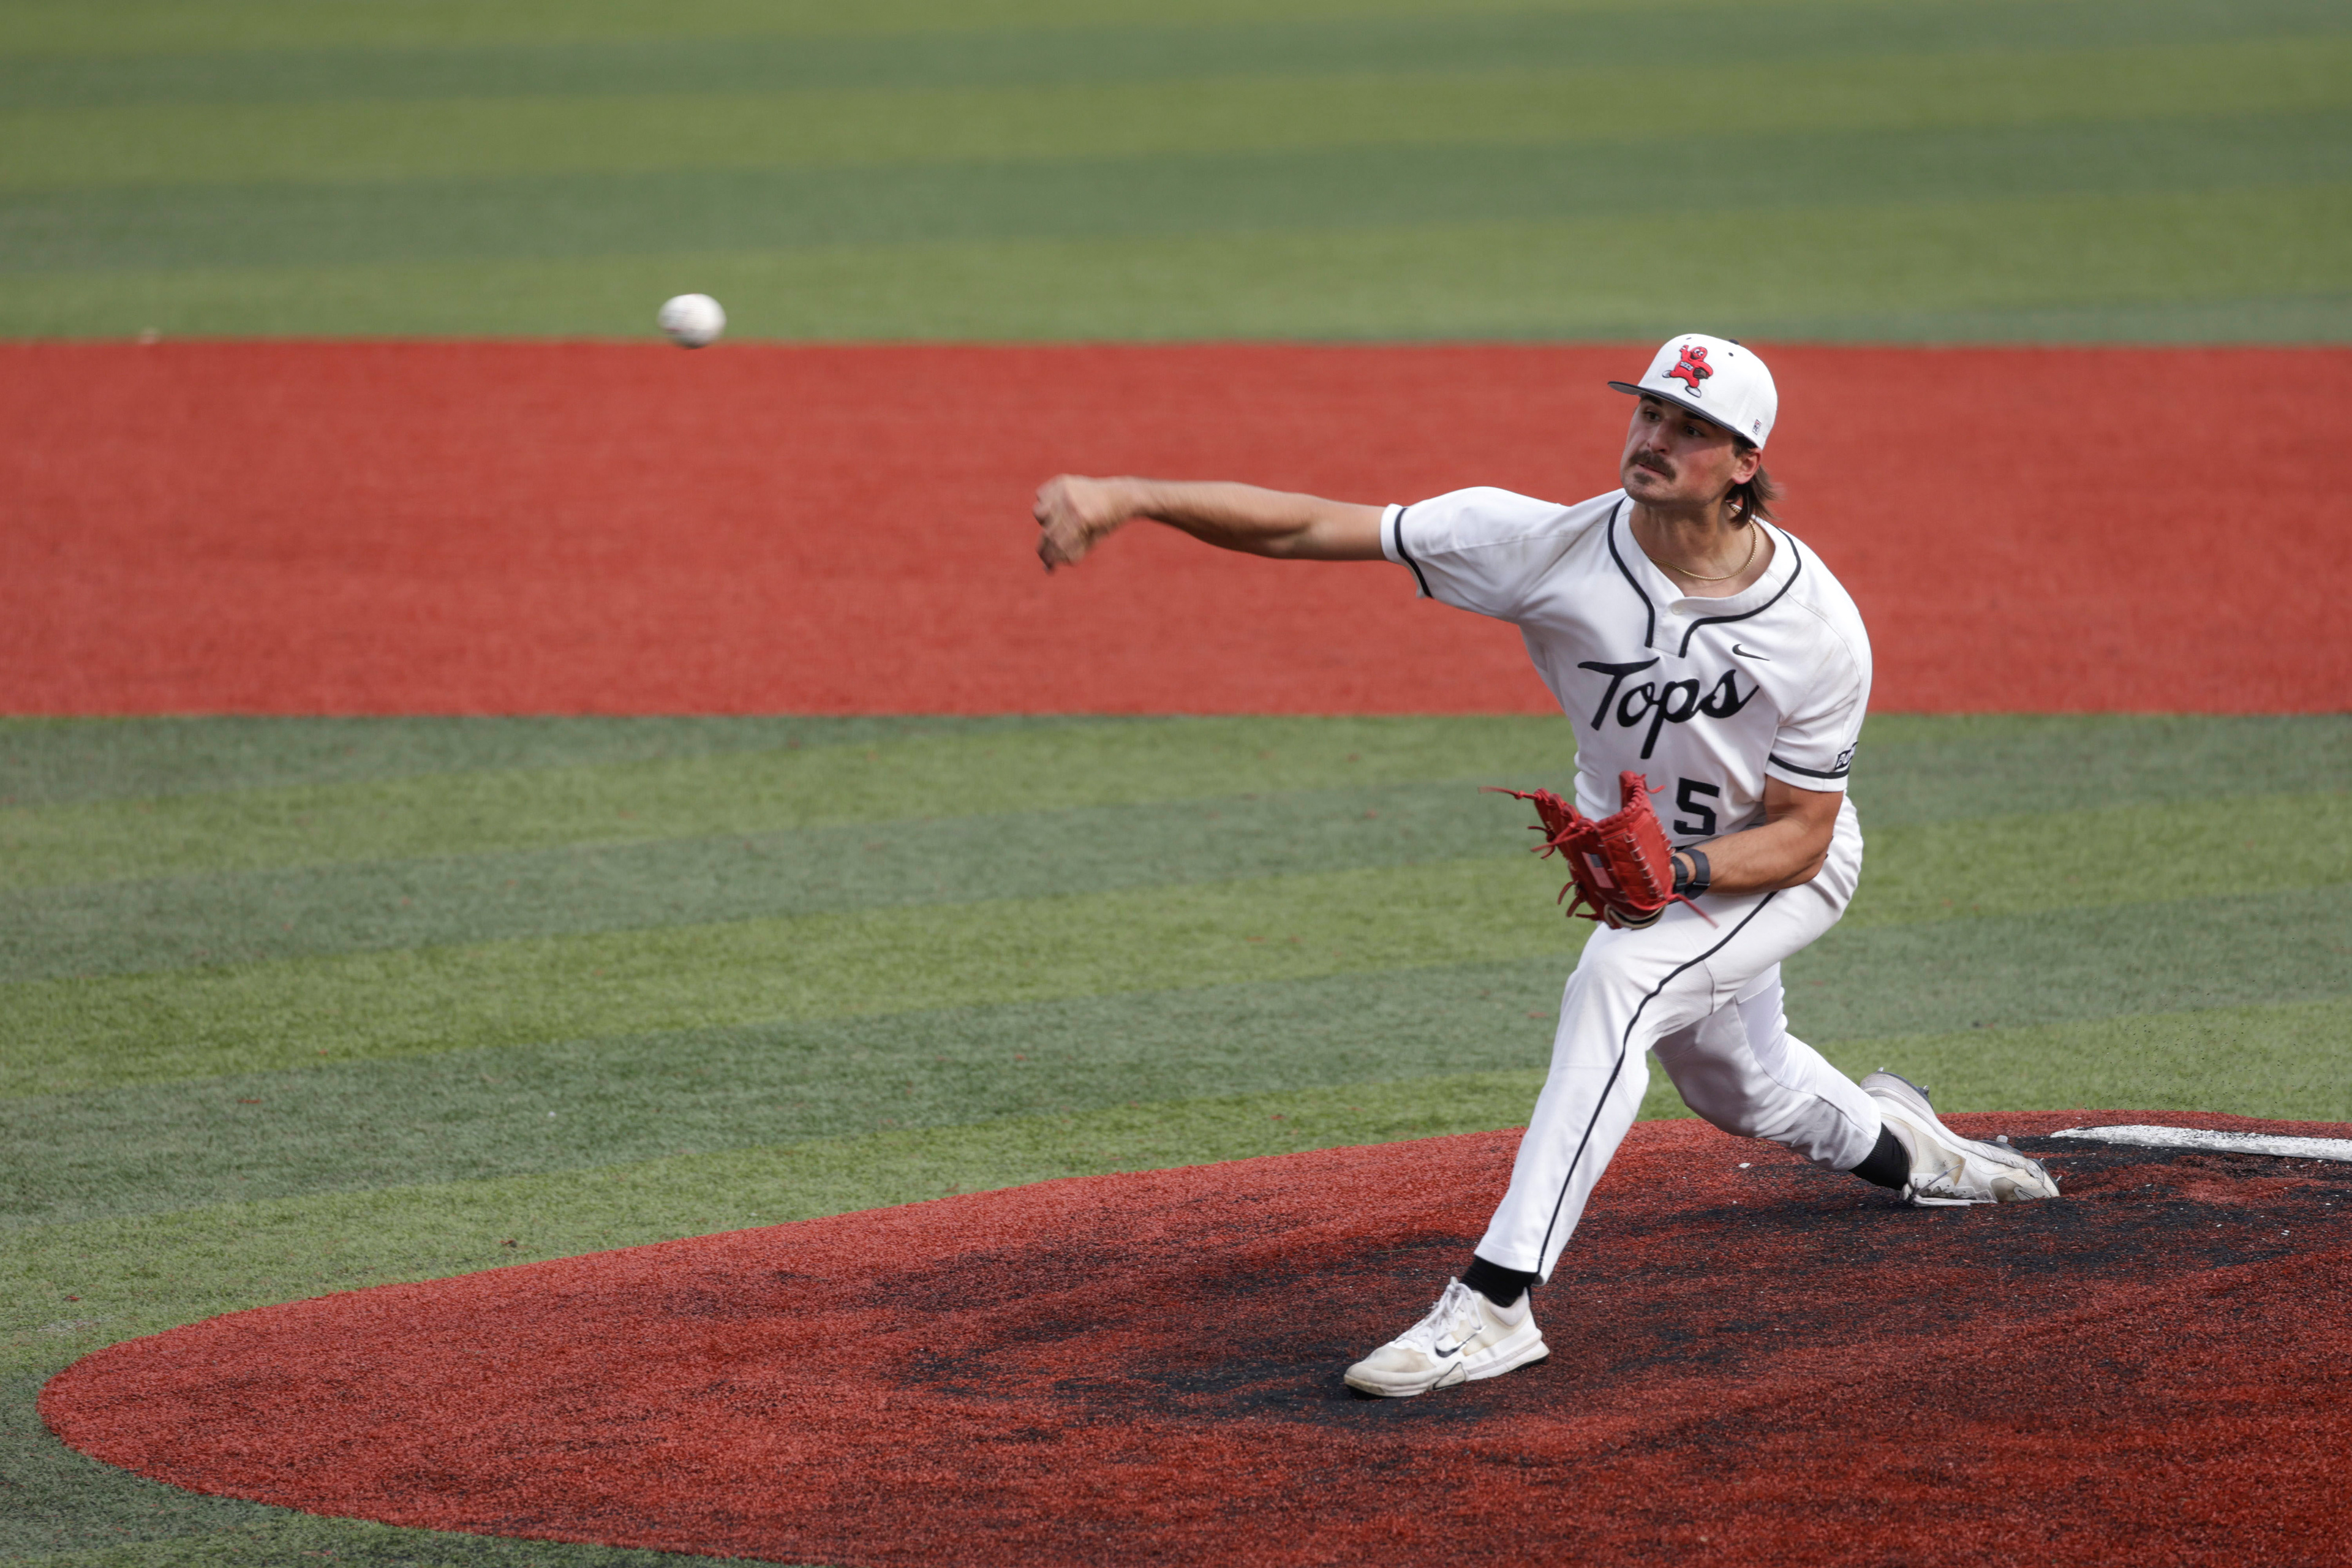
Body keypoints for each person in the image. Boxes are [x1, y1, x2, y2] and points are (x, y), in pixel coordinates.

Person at [1031, 334, 2057, 1399]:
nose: (1655, 438)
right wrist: (1131, 494)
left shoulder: (1816, 626)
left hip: (1776, 872)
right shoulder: (1545, 547)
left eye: (1691, 428)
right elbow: (1311, 523)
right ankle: (1913, 1148)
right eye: (1649, 412)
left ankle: (1495, 1304)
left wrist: (1683, 869)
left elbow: (1802, 832)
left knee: (1621, 982)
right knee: (1741, 1086)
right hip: (1669, 880)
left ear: (1745, 461)